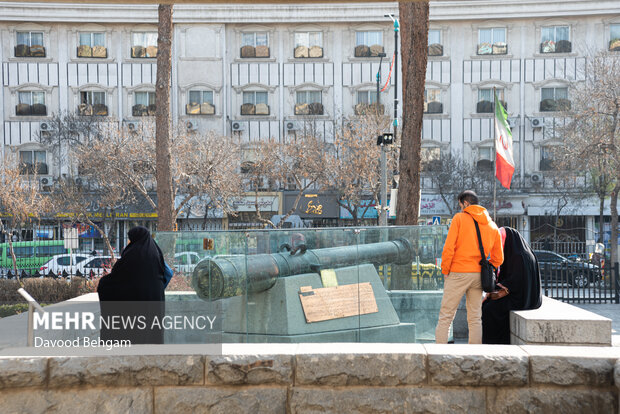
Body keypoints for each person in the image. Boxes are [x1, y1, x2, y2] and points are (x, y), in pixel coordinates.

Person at [435, 190, 503, 344]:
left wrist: (445, 270)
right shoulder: (492, 226)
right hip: (478, 275)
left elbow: (448, 248)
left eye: (461, 205)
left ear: (465, 203)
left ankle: (438, 355)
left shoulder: (459, 218)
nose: (460, 209)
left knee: (446, 316)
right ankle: (475, 356)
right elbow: (499, 258)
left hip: (458, 272)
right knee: (475, 318)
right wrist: (487, 267)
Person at [97, 226, 166, 344]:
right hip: (155, 297)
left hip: (137, 300)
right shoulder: (155, 251)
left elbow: (118, 276)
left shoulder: (133, 252)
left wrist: (103, 283)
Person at [482, 227, 542, 344]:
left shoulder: (519, 255)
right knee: (487, 305)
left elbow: (515, 280)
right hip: (521, 295)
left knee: (490, 310)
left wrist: (500, 288)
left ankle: (495, 343)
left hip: (522, 298)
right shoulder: (517, 251)